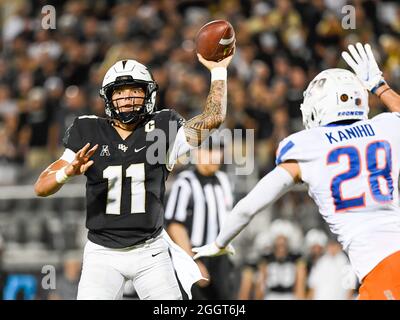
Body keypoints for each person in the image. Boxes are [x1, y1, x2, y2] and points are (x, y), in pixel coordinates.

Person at [192, 43, 400, 300]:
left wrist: (219, 243)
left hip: (384, 269)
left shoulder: (307, 147)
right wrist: (380, 85)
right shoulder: (387, 127)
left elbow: (247, 207)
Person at [34, 50, 234, 300]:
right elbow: (41, 187)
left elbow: (214, 118)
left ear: (147, 94)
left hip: (151, 251)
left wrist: (218, 70)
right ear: (108, 97)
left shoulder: (163, 127)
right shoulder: (88, 130)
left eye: (135, 90)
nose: (127, 97)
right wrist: (67, 172)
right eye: (119, 91)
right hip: (102, 253)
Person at [165, 141, 236, 299]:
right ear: (197, 153)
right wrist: (192, 262)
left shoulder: (224, 180)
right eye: (210, 150)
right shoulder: (185, 182)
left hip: (221, 256)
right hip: (196, 255)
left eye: (218, 150)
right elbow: (175, 226)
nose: (215, 156)